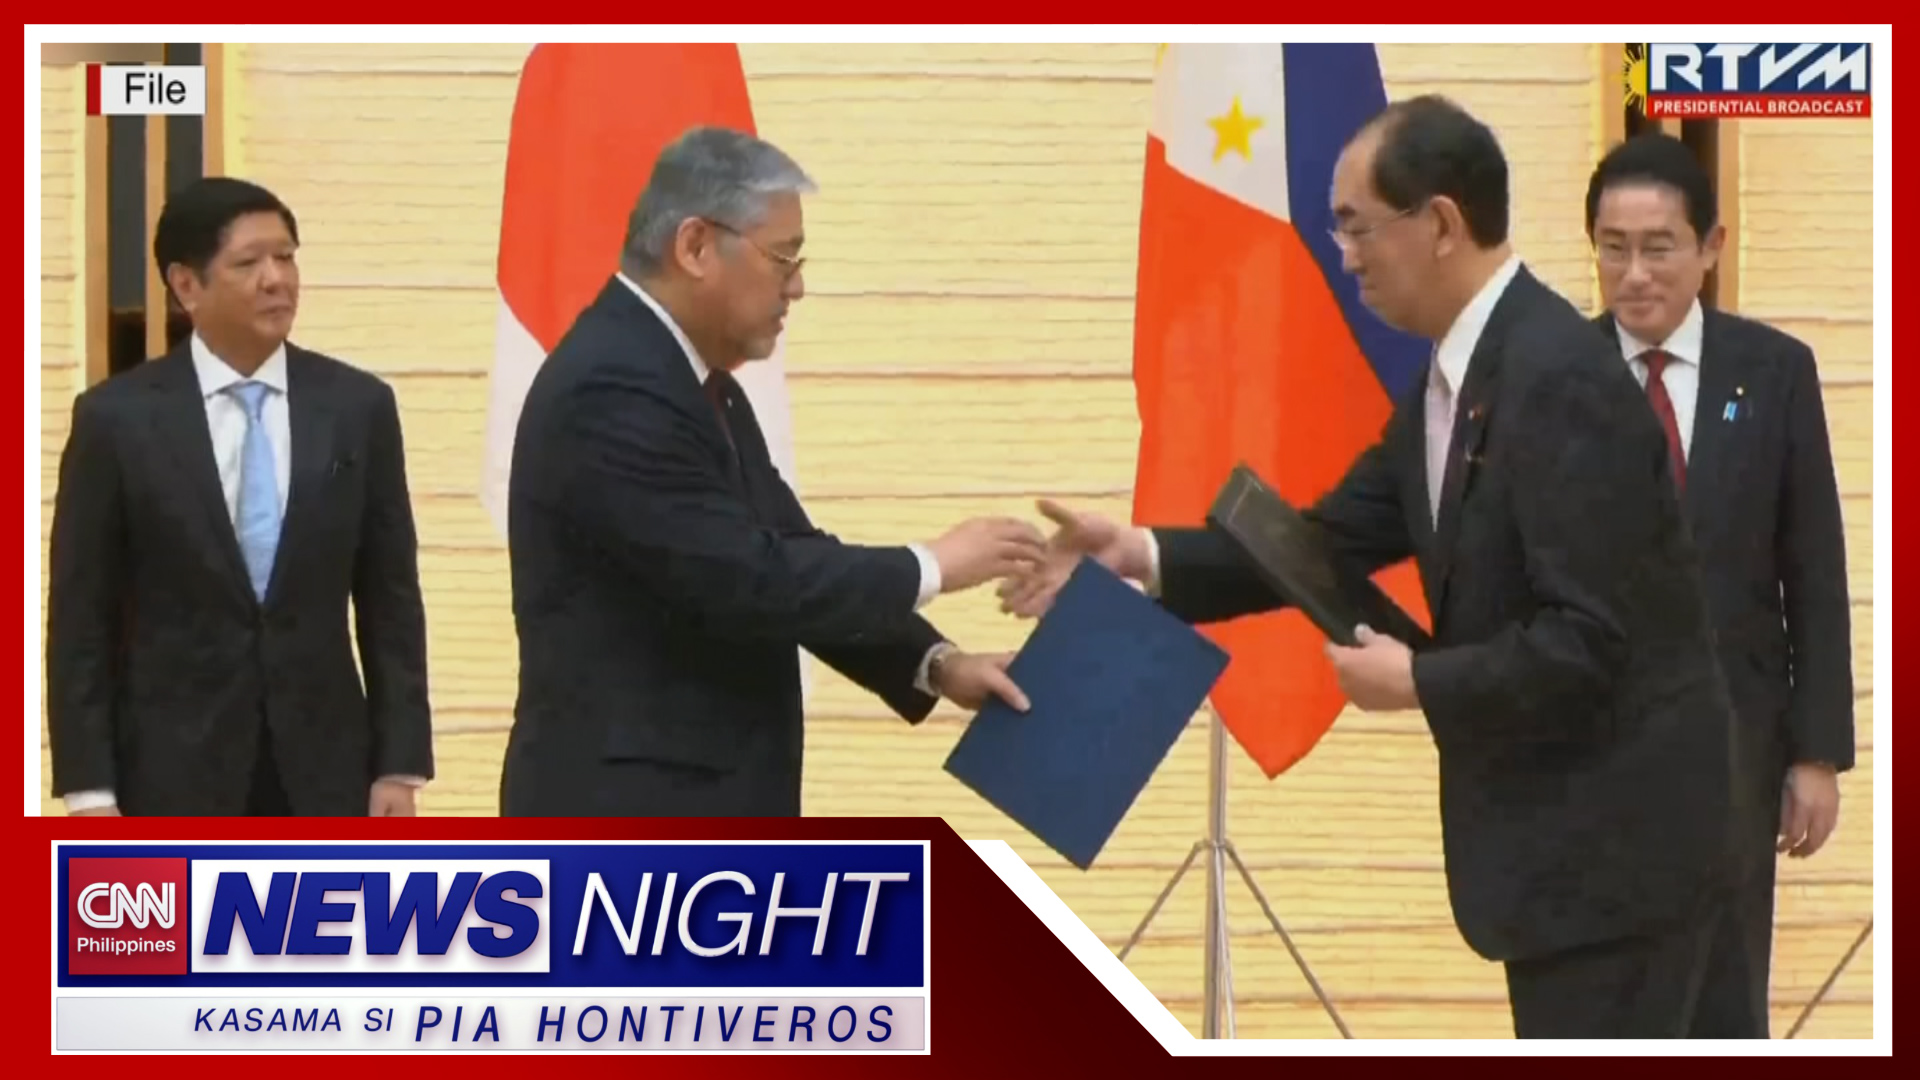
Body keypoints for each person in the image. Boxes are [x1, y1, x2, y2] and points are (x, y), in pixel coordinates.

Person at [1002, 96, 1741, 1039]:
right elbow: (1321, 545)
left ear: (1441, 223)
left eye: (1356, 227)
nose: (1344, 257)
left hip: (1622, 856)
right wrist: (1139, 555)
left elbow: (1592, 641)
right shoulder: (1456, 375)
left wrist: (1420, 680)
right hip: (1561, 853)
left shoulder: (1556, 375)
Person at [499, 126, 1044, 818]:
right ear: (695, 246)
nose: (798, 287)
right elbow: (747, 579)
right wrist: (932, 565)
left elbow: (789, 550)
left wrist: (938, 664)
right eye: (783, 258)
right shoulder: (611, 386)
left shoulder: (699, 384)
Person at [46, 177, 434, 817]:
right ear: (186, 285)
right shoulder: (116, 421)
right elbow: (82, 618)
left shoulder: (356, 407)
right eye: (249, 262)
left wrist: (399, 765)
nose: (277, 279)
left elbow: (390, 598)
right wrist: (90, 791)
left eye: (286, 257)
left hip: (327, 773)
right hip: (169, 777)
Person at [1586, 132, 1854, 1038]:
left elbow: (1812, 571)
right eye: (1613, 248)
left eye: (1658, 247)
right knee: (1603, 999)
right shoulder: (1552, 374)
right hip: (1589, 750)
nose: (1634, 275)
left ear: (1710, 247)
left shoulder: (1774, 373)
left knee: (1723, 1000)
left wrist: (1815, 754)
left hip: (1736, 743)